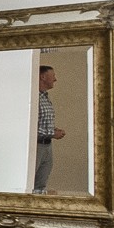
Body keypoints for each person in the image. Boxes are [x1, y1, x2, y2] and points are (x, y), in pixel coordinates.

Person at [34, 65, 65, 193]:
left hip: (47, 146)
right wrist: (52, 133)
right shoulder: (34, 97)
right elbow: (30, 128)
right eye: (53, 76)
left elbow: (41, 122)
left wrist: (53, 130)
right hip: (36, 146)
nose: (55, 79)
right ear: (43, 77)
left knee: (41, 184)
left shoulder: (45, 98)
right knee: (30, 182)